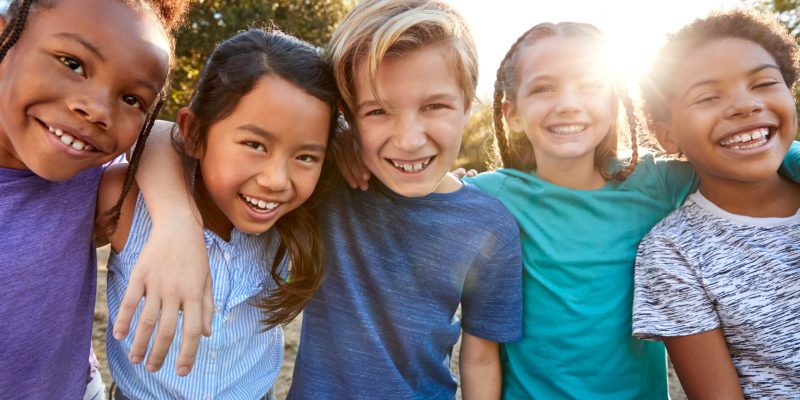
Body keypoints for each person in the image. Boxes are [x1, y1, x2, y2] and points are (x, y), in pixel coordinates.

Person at [457, 21, 800, 399]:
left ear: (614, 103)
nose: (569, 102)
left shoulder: (652, 182)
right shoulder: (489, 196)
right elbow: (420, 197)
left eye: (590, 85)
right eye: (543, 88)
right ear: (512, 114)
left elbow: (749, 152)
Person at [286, 1, 523, 399]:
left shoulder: (490, 226)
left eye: (434, 106)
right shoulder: (324, 180)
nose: (410, 140)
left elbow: (480, 357)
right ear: (348, 115)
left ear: (467, 105)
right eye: (378, 110)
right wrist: (337, 135)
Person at [99, 28, 339, 399]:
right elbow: (151, 134)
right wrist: (177, 222)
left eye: (306, 156)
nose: (277, 180)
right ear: (194, 133)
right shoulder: (127, 202)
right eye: (255, 144)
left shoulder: (302, 217)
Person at [0, 0, 212, 397]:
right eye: (72, 63)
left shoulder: (85, 175)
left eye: (132, 99)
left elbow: (163, 137)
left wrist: (178, 224)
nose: (97, 110)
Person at [633, 9, 800, 399]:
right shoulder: (672, 252)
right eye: (708, 96)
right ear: (667, 135)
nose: (745, 105)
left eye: (762, 83)